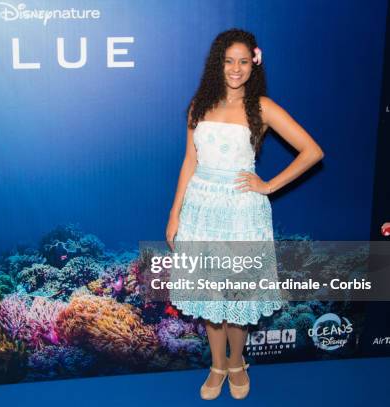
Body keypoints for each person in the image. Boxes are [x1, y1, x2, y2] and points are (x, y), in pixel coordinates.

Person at [165, 28, 324, 400]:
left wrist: (268, 185)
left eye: (242, 61)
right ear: (217, 64)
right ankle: (217, 365)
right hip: (201, 208)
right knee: (209, 294)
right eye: (228, 61)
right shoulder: (199, 105)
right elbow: (190, 161)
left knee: (238, 296)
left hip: (241, 211)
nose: (235, 69)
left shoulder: (262, 108)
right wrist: (176, 212)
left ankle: (237, 362)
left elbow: (312, 151)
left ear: (254, 62)